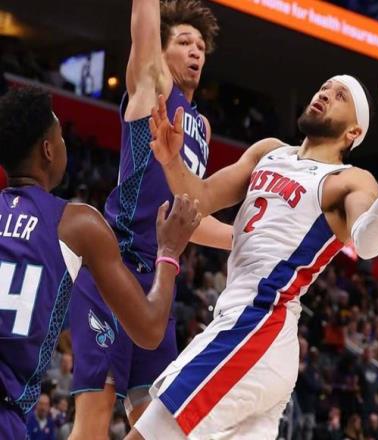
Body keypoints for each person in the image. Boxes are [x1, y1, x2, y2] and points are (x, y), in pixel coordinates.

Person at [129, 76, 378, 439]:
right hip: (255, 339)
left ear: (353, 132)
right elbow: (201, 198)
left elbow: (368, 243)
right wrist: (171, 160)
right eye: (325, 88)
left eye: (340, 96)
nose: (325, 94)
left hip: (256, 326)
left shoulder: (348, 180)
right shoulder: (269, 151)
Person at [69, 1, 231, 438]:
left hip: (160, 279)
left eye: (201, 47)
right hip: (114, 269)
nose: (195, 51)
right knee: (95, 419)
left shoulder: (202, 127)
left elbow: (190, 215)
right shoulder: (153, 88)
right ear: (160, 52)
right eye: (184, 42)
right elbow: (143, 24)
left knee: (158, 426)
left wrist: (245, 238)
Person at [0, 87, 200, 439]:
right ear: (48, 150)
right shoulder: (77, 224)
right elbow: (150, 330)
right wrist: (169, 251)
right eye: (61, 137)